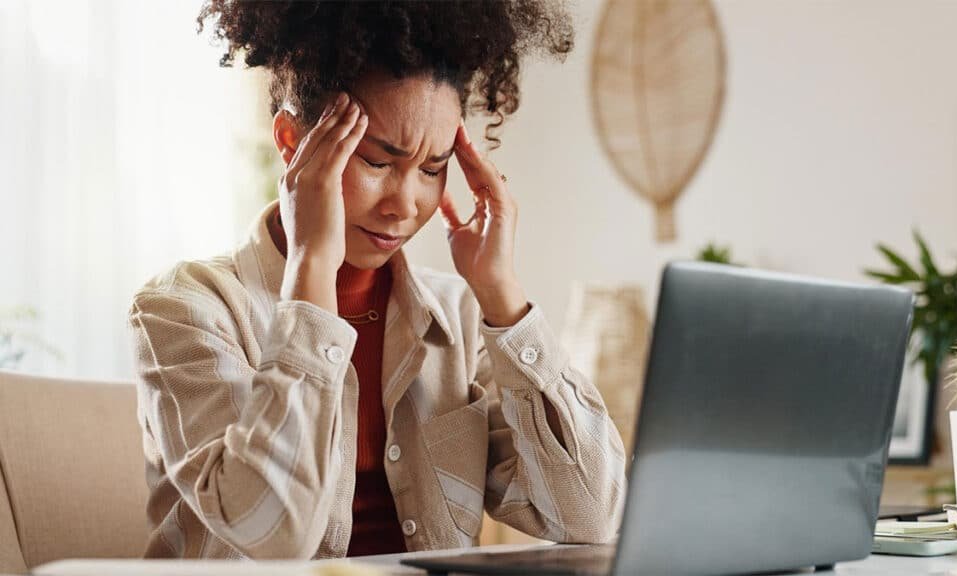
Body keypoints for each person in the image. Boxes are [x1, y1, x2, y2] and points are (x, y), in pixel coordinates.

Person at [128, 0, 626, 560]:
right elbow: (273, 535)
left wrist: (501, 294)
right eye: (377, 162)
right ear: (291, 142)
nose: (405, 204)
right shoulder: (184, 309)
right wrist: (313, 270)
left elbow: (591, 515)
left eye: (433, 169)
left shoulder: (459, 317)